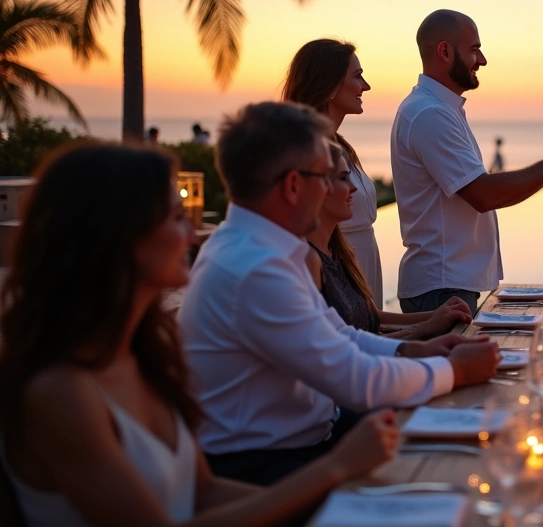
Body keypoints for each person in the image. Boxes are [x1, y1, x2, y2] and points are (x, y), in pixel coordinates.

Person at [0, 143, 400, 526]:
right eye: (176, 218)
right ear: (118, 235)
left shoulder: (147, 356)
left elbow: (203, 492)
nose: (192, 236)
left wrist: (345, 501)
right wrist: (334, 468)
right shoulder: (59, 393)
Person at [180, 102, 500, 485]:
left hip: (297, 447)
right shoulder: (255, 269)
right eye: (325, 178)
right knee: (456, 471)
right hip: (263, 470)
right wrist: (454, 371)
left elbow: (340, 337)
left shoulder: (257, 247)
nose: (335, 190)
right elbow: (356, 381)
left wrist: (416, 350)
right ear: (293, 186)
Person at [392, 10, 543, 314]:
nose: (482, 60)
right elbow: (483, 195)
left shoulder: (438, 109)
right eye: (474, 50)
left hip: (447, 284)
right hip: (440, 288)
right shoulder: (429, 114)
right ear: (445, 52)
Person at [305, 142, 473, 338]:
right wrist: (425, 330)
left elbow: (373, 316)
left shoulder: (339, 253)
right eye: (343, 178)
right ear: (315, 189)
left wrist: (439, 315)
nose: (354, 188)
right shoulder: (308, 262)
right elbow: (341, 347)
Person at [283, 39, 385, 306]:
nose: (366, 86)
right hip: (337, 280)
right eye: (357, 76)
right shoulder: (306, 151)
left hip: (361, 269)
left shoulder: (342, 147)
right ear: (330, 86)